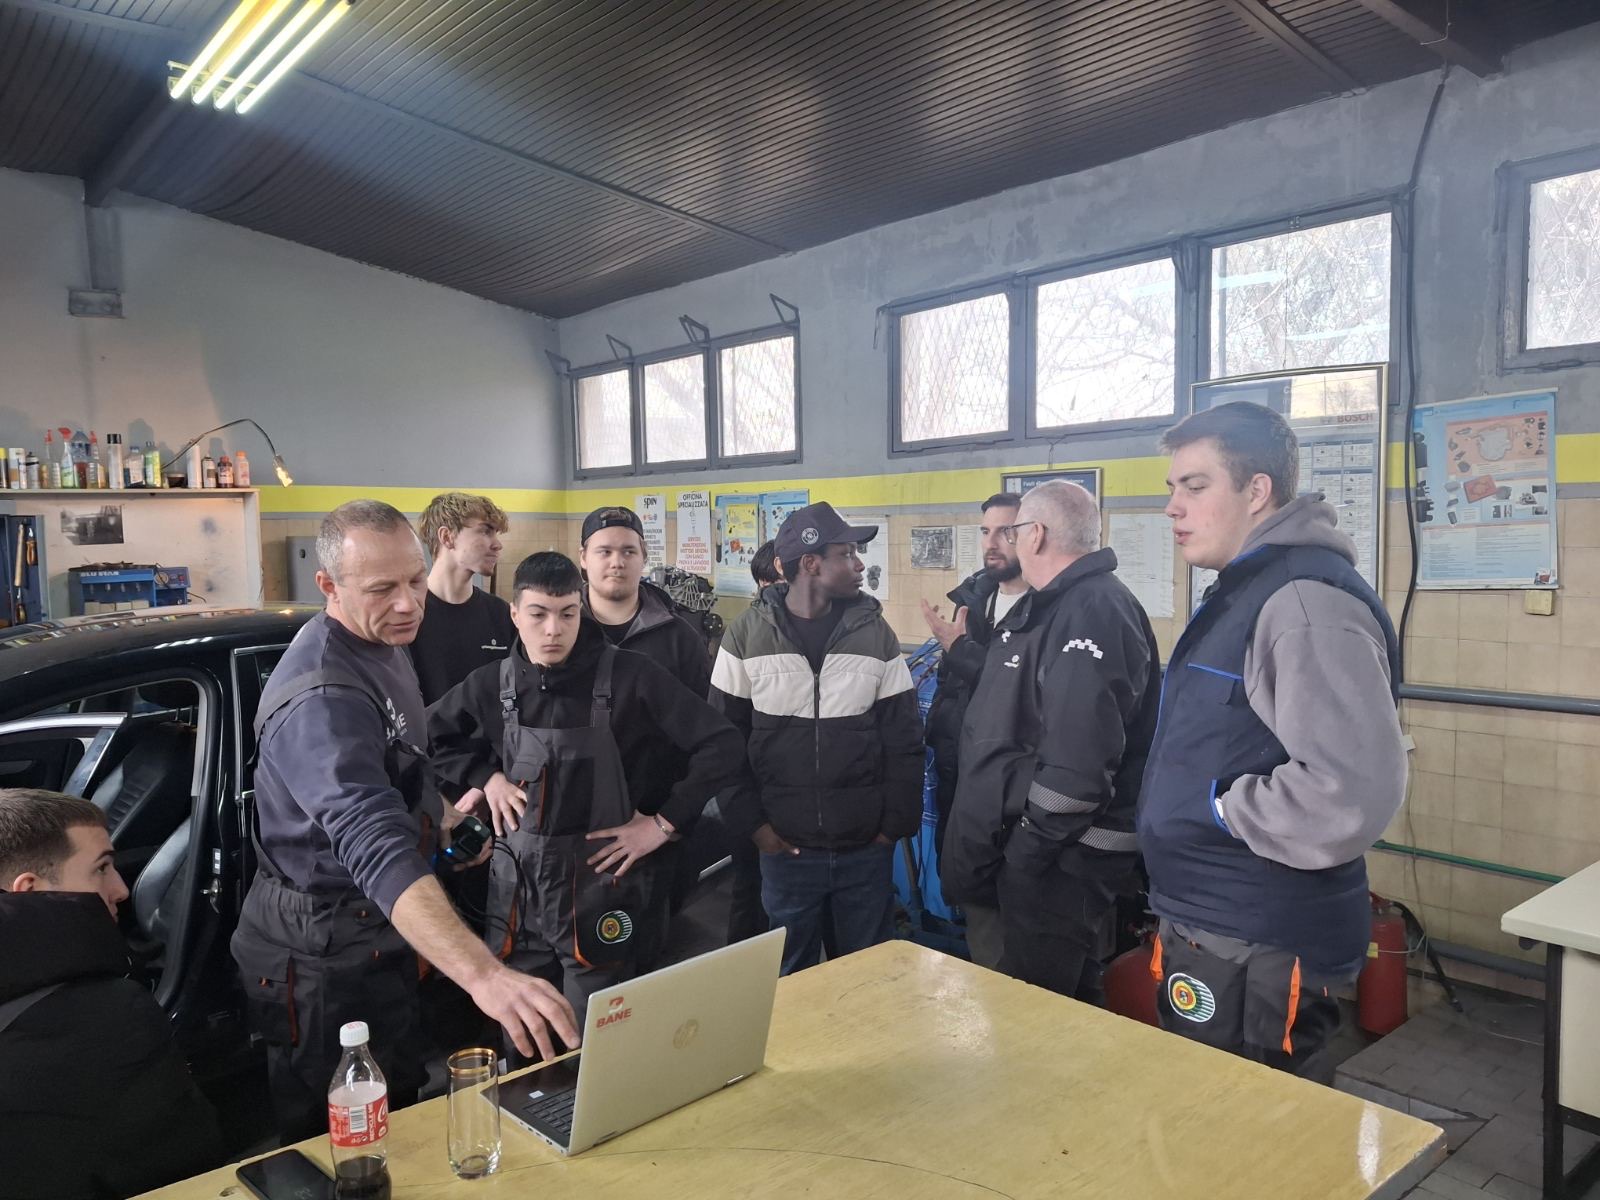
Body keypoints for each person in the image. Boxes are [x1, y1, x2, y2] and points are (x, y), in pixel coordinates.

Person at [231, 501, 578, 1143]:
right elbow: (372, 843)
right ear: (329, 586)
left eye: (416, 581)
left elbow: (402, 762)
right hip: (320, 947)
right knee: (340, 1136)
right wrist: (485, 975)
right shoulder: (323, 699)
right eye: (381, 588)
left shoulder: (382, 644)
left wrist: (442, 820)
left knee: (399, 1097)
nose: (408, 603)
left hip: (376, 929)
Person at [1143, 401, 1406, 1078]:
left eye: (1195, 486)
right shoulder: (1246, 591)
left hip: (1258, 937)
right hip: (1219, 922)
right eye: (1173, 488)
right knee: (1206, 1112)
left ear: (1256, 490)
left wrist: (1220, 811)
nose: (1173, 507)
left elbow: (1349, 788)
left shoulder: (1304, 602)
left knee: (1248, 1124)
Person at [429, 552, 746, 1020]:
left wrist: (664, 824)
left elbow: (723, 744)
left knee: (600, 1027)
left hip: (601, 889)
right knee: (523, 1025)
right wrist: (486, 778)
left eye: (567, 614)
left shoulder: (632, 676)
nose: (553, 630)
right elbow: (429, 737)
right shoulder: (489, 685)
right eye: (538, 614)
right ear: (514, 614)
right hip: (516, 890)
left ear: (581, 611)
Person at [940, 483, 1159, 1000]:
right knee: (1054, 1001)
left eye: (1012, 531)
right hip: (1036, 855)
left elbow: (1077, 769)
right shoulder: (1052, 606)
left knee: (1037, 1010)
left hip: (1058, 861)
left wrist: (1025, 852)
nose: (1005, 541)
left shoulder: (1092, 610)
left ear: (1034, 534)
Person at [711, 502, 923, 975]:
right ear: (810, 563)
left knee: (867, 976)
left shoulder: (875, 635)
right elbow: (723, 745)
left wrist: (891, 828)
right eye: (846, 554)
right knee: (791, 979)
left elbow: (904, 740)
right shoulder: (745, 637)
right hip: (785, 850)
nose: (859, 565)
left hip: (865, 852)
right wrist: (756, 829)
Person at [0, 789, 223, 1199]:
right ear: (28, 889)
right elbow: (186, 1169)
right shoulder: (113, 1016)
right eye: (101, 868)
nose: (121, 888)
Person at [578, 505, 715, 968]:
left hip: (653, 832)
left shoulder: (680, 639)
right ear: (583, 558)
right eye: (604, 551)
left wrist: (668, 821)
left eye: (628, 551)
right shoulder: (558, 630)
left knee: (646, 961)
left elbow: (706, 743)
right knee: (574, 966)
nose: (616, 561)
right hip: (568, 834)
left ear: (643, 558)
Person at [920, 493, 1028, 863]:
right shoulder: (974, 599)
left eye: (1005, 531)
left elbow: (1018, 689)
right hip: (957, 770)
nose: (991, 543)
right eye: (985, 531)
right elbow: (952, 687)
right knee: (955, 870)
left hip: (1010, 786)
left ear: (1033, 534)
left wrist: (960, 649)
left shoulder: (1049, 607)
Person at [409, 491, 514, 705]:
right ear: (447, 537)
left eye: (495, 534)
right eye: (485, 531)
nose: (497, 544)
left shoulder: (501, 615)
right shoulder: (408, 614)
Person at [727, 538, 782, 943]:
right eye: (769, 584)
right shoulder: (743, 636)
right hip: (752, 798)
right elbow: (727, 736)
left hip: (795, 803)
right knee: (749, 893)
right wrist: (748, 816)